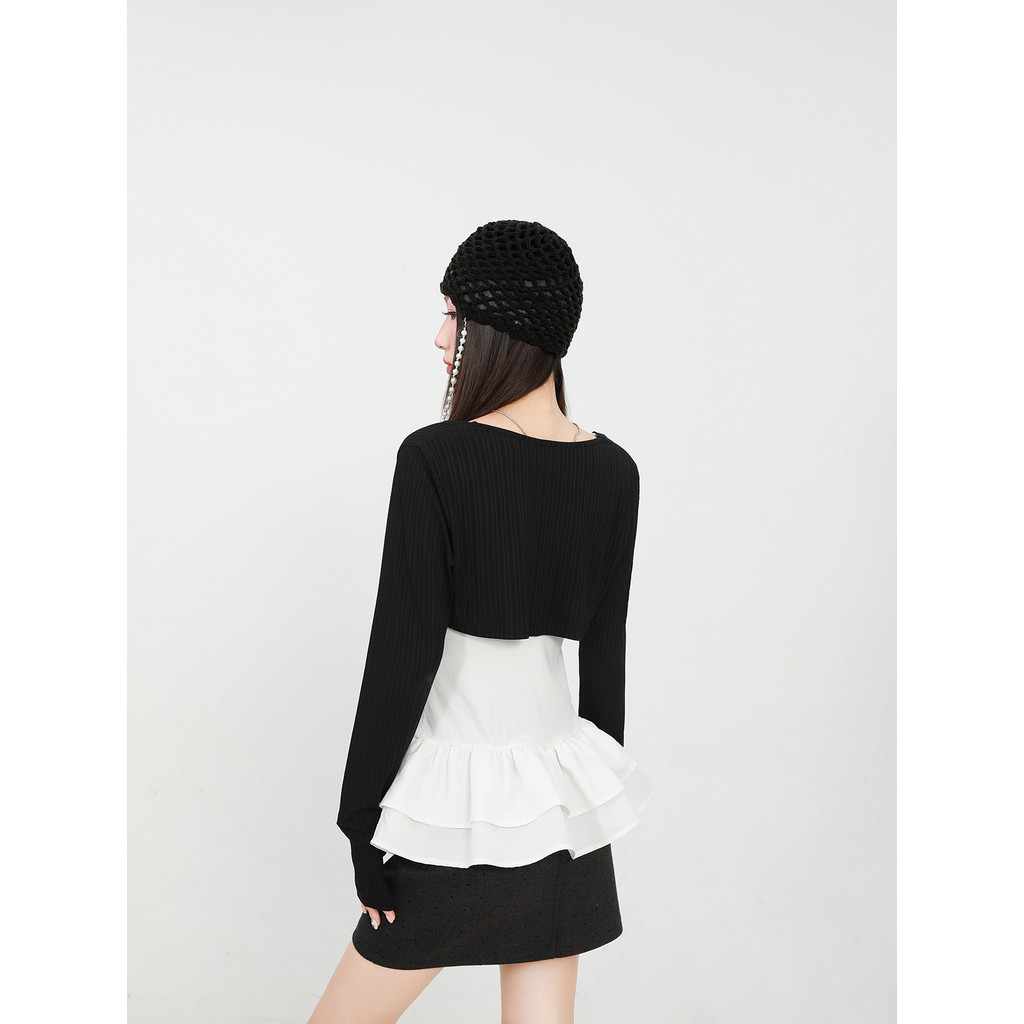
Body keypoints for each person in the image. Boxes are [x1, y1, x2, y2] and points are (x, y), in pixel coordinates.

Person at [306, 219, 653, 1024]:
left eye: (454, 315)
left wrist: (361, 824)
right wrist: (590, 805)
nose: (440, 337)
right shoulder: (614, 471)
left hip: (453, 819)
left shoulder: (437, 458)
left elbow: (402, 656)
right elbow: (606, 658)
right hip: (559, 810)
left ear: (501, 327)